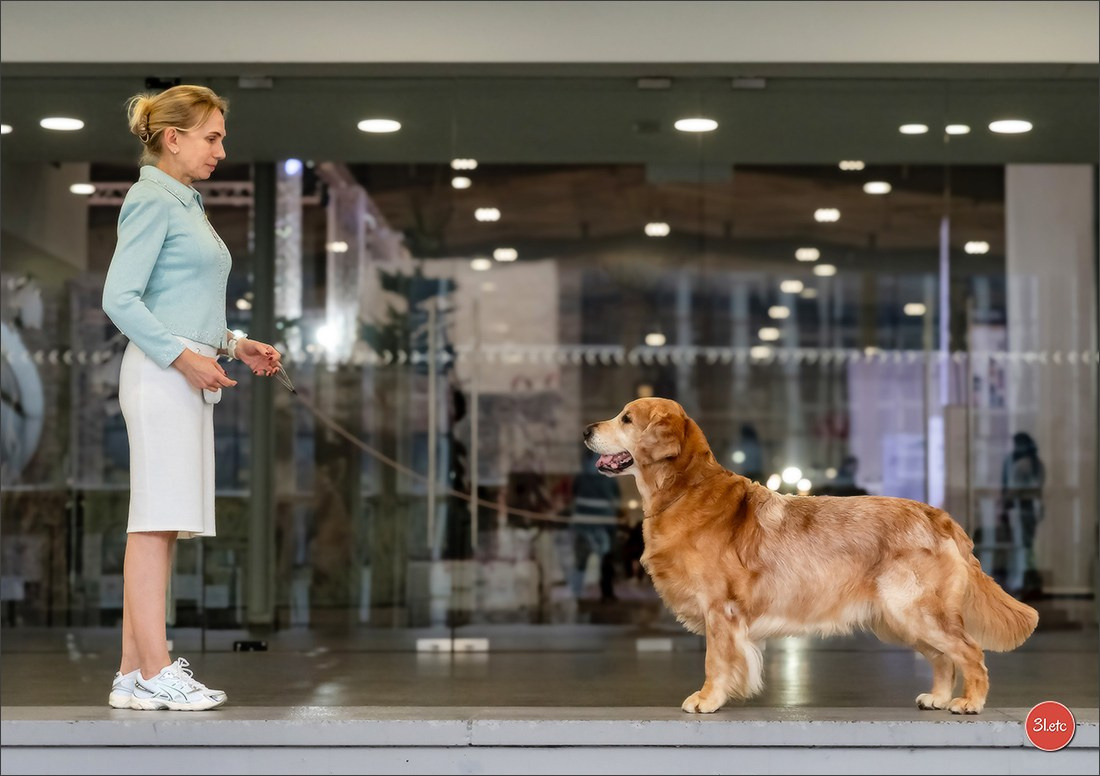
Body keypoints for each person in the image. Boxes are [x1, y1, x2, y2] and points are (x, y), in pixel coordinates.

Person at [101, 84, 282, 711]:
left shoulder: (184, 202)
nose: (221, 150)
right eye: (212, 138)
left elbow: (178, 304)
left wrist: (235, 344)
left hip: (175, 369)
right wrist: (185, 360)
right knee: (153, 524)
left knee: (161, 521)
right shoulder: (152, 198)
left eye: (222, 138)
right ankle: (155, 668)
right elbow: (119, 299)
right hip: (161, 374)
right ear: (172, 138)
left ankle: (132, 672)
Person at [568, 448, 623, 601]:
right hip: (603, 524)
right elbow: (617, 499)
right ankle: (606, 593)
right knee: (604, 560)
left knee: (582, 561)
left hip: (585, 524)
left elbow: (574, 495)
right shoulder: (608, 477)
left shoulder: (581, 478)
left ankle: (577, 593)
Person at [1001, 431, 1045, 598]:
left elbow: (1013, 490)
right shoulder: (1037, 464)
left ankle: (1023, 581)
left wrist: (1005, 505)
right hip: (1032, 509)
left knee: (1022, 546)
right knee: (1027, 545)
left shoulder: (1022, 465)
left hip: (1021, 508)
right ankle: (1028, 580)